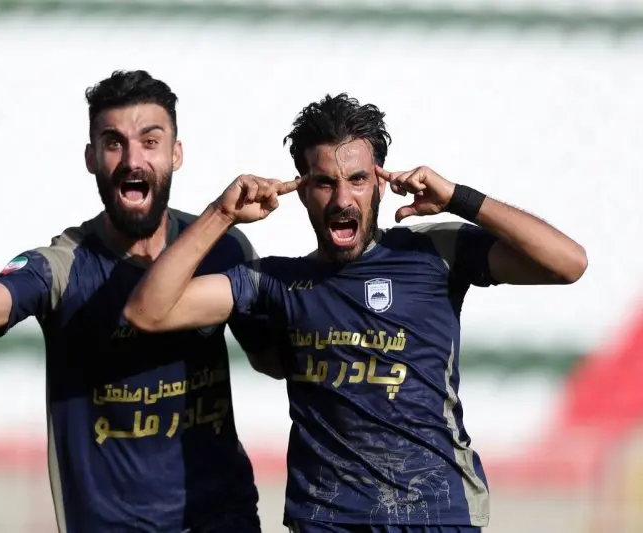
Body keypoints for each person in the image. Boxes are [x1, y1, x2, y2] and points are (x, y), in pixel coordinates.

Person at [122, 93, 588, 533]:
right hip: (326, 519)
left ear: (380, 183)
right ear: (302, 190)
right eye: (325, 182)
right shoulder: (274, 282)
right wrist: (220, 215)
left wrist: (456, 198)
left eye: (358, 179)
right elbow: (148, 313)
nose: (343, 199)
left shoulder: (434, 253)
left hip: (436, 511)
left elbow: (568, 263)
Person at [0, 70, 276, 533]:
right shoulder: (65, 265)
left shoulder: (223, 249)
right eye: (114, 143)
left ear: (176, 154)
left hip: (220, 519)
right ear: (91, 158)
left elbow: (271, 359)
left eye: (150, 142)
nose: (133, 160)